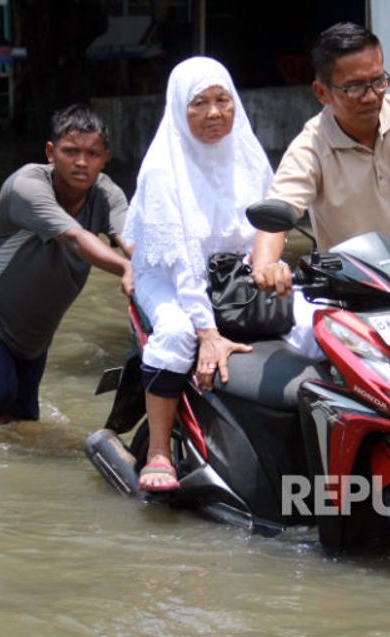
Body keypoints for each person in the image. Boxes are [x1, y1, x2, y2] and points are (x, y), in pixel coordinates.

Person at [250, 22, 390, 365]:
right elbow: (276, 217)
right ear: (322, 92)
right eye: (356, 87)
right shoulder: (310, 147)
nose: (373, 95)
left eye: (379, 80)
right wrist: (267, 265)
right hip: (354, 298)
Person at [0, 104, 133, 430]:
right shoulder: (27, 186)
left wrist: (147, 263)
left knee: (21, 420)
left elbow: (131, 238)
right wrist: (126, 269)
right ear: (51, 152)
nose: (82, 162)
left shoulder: (107, 194)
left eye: (93, 153)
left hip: (34, 317)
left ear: (105, 157)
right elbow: (75, 237)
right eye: (71, 151)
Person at [123, 56, 274, 492]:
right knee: (176, 333)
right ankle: (158, 451)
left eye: (223, 100)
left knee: (311, 317)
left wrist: (274, 269)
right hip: (166, 275)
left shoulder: (247, 153)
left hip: (233, 274)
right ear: (178, 109)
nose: (214, 113)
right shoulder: (162, 170)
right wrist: (207, 330)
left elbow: (270, 225)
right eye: (200, 103)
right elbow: (183, 262)